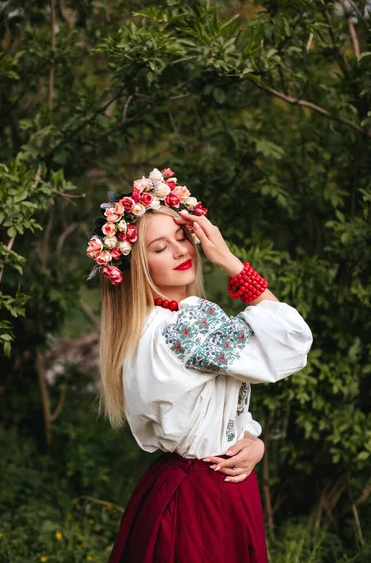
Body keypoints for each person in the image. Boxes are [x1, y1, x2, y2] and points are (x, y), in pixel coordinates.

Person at [86, 168, 313, 562]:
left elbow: (217, 410)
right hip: (203, 499)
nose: (181, 250)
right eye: (160, 248)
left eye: (182, 237)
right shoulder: (186, 325)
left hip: (183, 486)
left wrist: (253, 442)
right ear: (137, 265)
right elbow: (291, 343)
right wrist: (231, 261)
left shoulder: (149, 325)